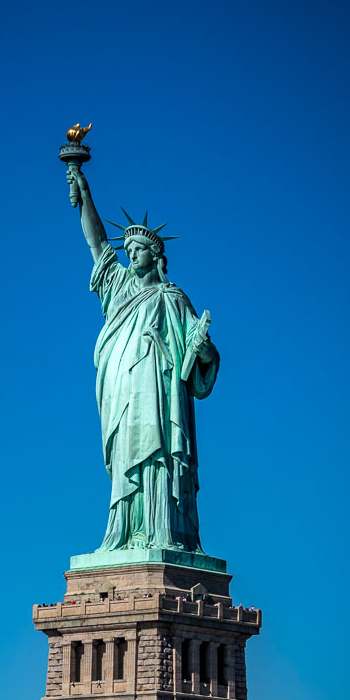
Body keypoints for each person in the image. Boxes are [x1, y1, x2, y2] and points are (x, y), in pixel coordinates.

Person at [66, 164, 219, 553]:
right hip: (122, 389)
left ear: (155, 255)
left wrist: (202, 349)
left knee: (159, 454)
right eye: (129, 250)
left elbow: (199, 358)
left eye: (138, 250)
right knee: (126, 457)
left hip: (160, 393)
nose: (131, 255)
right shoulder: (117, 286)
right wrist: (84, 193)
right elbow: (97, 244)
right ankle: (124, 533)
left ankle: (162, 531)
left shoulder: (173, 298)